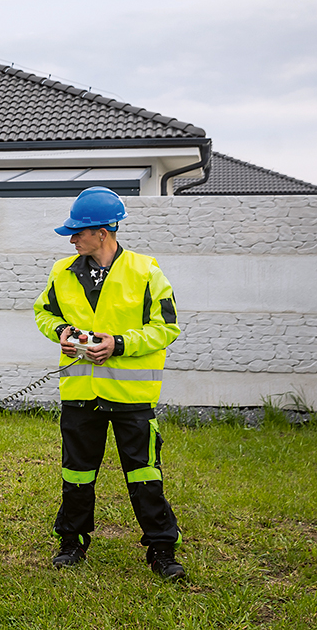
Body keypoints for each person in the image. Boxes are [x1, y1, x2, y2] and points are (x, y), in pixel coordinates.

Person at [33, 187, 186, 581]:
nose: (72, 239)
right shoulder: (61, 272)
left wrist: (118, 345)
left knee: (145, 475)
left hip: (132, 397)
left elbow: (166, 328)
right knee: (77, 475)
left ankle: (162, 549)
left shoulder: (145, 270)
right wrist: (62, 332)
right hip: (81, 394)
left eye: (79, 232)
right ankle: (72, 542)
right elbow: (43, 315)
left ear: (103, 232)